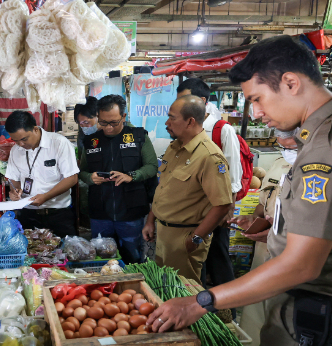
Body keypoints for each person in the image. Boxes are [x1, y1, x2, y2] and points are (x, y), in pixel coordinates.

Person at [146, 36, 332, 346]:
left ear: (290, 83)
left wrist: (200, 301)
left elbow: (303, 264)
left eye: (257, 99)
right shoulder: (313, 139)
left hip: (313, 306)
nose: (256, 113)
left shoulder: (322, 148)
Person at [142, 95, 233, 284]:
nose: (167, 123)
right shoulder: (174, 148)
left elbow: (222, 205)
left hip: (184, 238)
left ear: (190, 121)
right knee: (165, 288)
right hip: (163, 233)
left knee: (183, 294)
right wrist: (151, 219)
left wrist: (195, 239)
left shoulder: (209, 156)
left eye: (172, 117)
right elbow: (164, 188)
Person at [177, 79, 241, 318]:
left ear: (202, 102)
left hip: (216, 208)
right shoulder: (184, 130)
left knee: (219, 257)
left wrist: (228, 209)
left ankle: (230, 313)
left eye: (184, 100)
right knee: (197, 262)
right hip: (193, 210)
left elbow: (234, 172)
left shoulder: (221, 129)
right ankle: (200, 312)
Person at [232, 129, 297, 345]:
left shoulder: (319, 169)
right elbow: (263, 203)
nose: (278, 137)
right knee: (255, 316)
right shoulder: (279, 163)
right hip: (263, 253)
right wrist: (252, 218)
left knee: (282, 324)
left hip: (292, 257)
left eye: (284, 131)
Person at [79, 94, 158, 264]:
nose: (108, 128)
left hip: (131, 214)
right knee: (101, 261)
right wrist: (90, 178)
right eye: (103, 122)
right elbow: (81, 171)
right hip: (100, 213)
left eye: (114, 122)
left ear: (123, 116)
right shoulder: (91, 141)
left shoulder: (138, 137)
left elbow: (152, 167)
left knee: (133, 258)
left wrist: (131, 176)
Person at [5, 111, 79, 238]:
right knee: (31, 255)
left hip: (58, 214)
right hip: (28, 215)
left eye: (24, 139)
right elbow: (13, 178)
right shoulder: (15, 150)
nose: (21, 144)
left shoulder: (59, 143)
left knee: (64, 253)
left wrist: (46, 196)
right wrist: (15, 191)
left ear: (35, 129)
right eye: (16, 140)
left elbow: (71, 178)